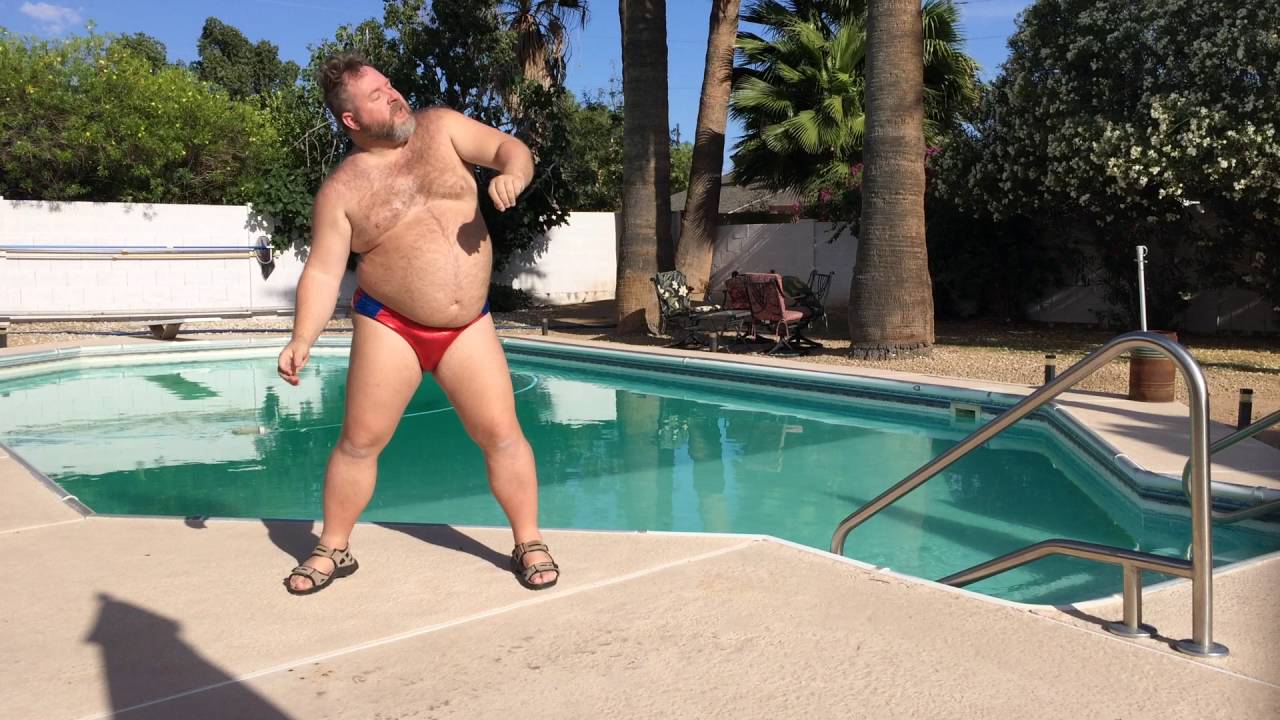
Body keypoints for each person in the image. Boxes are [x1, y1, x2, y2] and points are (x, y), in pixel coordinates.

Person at [277, 53, 558, 595]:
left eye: (389, 85)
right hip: (391, 325)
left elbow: (510, 148)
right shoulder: (341, 190)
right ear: (351, 119)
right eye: (377, 95)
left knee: (502, 435)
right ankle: (333, 546)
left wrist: (514, 174)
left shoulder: (441, 129)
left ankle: (528, 539)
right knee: (360, 442)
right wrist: (301, 337)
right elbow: (324, 270)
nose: (394, 94)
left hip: (468, 324)